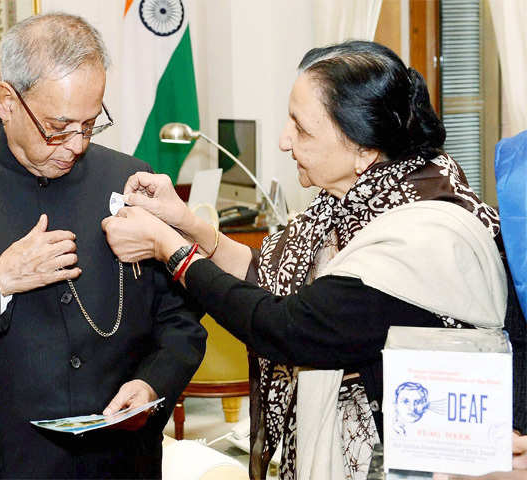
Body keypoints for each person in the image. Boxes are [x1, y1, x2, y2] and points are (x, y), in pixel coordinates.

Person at [101, 41, 522, 479]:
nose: (284, 141)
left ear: (363, 149)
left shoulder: (418, 240)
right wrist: (187, 223)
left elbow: (284, 326)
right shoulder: (350, 203)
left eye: (301, 130)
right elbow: (264, 274)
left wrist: (172, 251)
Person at [0, 13, 206, 479]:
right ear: (7, 101)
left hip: (123, 460)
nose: (76, 145)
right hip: (3, 464)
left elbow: (181, 320)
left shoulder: (129, 179)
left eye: (90, 124)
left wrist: (153, 382)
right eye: (58, 127)